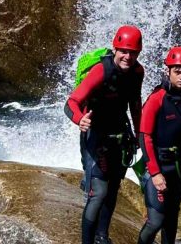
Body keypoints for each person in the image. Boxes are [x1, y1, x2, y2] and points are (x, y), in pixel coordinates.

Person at [64, 25, 145, 244]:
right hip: (96, 137)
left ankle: (102, 236)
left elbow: (135, 106)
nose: (128, 57)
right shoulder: (101, 70)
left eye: (133, 52)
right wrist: (79, 119)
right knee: (98, 193)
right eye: (124, 51)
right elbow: (71, 102)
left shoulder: (138, 72)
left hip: (119, 137)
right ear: (115, 49)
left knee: (112, 190)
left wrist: (140, 136)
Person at [138, 46, 181, 244]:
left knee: (172, 217)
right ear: (168, 71)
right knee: (156, 221)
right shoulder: (157, 99)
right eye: (177, 72)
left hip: (177, 166)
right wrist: (155, 173)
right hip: (157, 165)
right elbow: (144, 137)